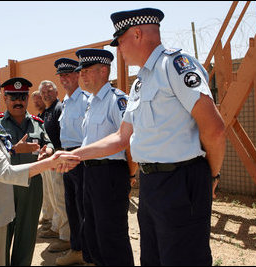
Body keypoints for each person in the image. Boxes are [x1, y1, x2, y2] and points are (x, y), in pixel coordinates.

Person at [57, 7, 226, 266]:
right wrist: (73, 154)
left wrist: (211, 176)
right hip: (151, 184)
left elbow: (214, 128)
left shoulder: (175, 66)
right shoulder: (140, 83)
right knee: (153, 258)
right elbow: (122, 137)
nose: (119, 49)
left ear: (137, 34)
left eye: (120, 41)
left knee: (183, 258)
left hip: (181, 181)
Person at [0, 69, 80, 266]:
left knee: (25, 234)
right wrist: (49, 162)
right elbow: (3, 170)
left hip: (18, 190)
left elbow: (41, 143)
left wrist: (19, 150)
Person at [74, 48, 135, 266]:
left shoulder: (116, 100)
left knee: (111, 234)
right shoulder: (92, 102)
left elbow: (129, 139)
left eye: (87, 70)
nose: (82, 74)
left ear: (103, 71)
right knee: (92, 231)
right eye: (81, 70)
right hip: (90, 173)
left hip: (110, 174)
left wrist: (131, 173)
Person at [0, 77, 54, 266]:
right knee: (2, 237)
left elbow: (48, 144)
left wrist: (48, 151)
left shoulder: (37, 123)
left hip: (31, 188)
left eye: (22, 97)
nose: (18, 101)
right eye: (13, 97)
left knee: (27, 235)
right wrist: (13, 148)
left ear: (27, 98)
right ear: (5, 98)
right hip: (4, 187)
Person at [53, 58, 91, 266]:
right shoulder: (65, 103)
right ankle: (76, 249)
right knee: (71, 207)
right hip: (66, 157)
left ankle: (89, 253)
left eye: (68, 74)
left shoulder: (86, 100)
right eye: (61, 76)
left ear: (77, 75)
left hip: (81, 157)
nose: (64, 79)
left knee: (84, 207)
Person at [38, 80, 71, 253]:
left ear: (56, 92)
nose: (46, 94)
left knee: (60, 198)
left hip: (59, 158)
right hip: (50, 159)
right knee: (52, 196)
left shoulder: (59, 108)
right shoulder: (47, 111)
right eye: (43, 92)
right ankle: (56, 228)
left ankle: (66, 237)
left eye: (49, 91)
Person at [31, 89, 54, 228]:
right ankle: (47, 216)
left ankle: (54, 222)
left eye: (38, 100)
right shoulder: (40, 116)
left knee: (54, 193)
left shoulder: (51, 113)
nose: (37, 103)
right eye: (34, 102)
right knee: (46, 190)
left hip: (52, 156)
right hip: (42, 158)